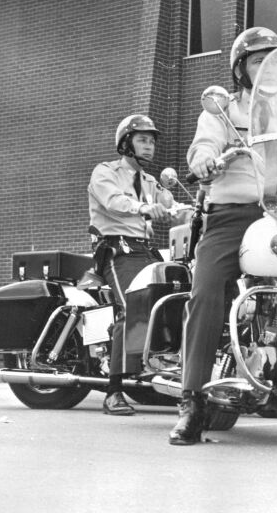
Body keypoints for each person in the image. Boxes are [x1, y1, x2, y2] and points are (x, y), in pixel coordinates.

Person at [169, 26, 277, 445]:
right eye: (257, 60)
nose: (266, 67)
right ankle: (192, 401)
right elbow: (203, 145)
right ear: (241, 69)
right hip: (232, 214)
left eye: (273, 60)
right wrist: (205, 162)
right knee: (207, 290)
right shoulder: (223, 110)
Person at [88, 114, 177, 416]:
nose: (149, 146)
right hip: (116, 250)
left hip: (146, 252)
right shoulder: (105, 172)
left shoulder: (152, 182)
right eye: (142, 140)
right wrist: (143, 207)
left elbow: (172, 207)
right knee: (132, 308)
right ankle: (113, 391)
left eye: (152, 141)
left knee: (172, 301)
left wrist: (193, 210)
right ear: (126, 143)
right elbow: (113, 201)